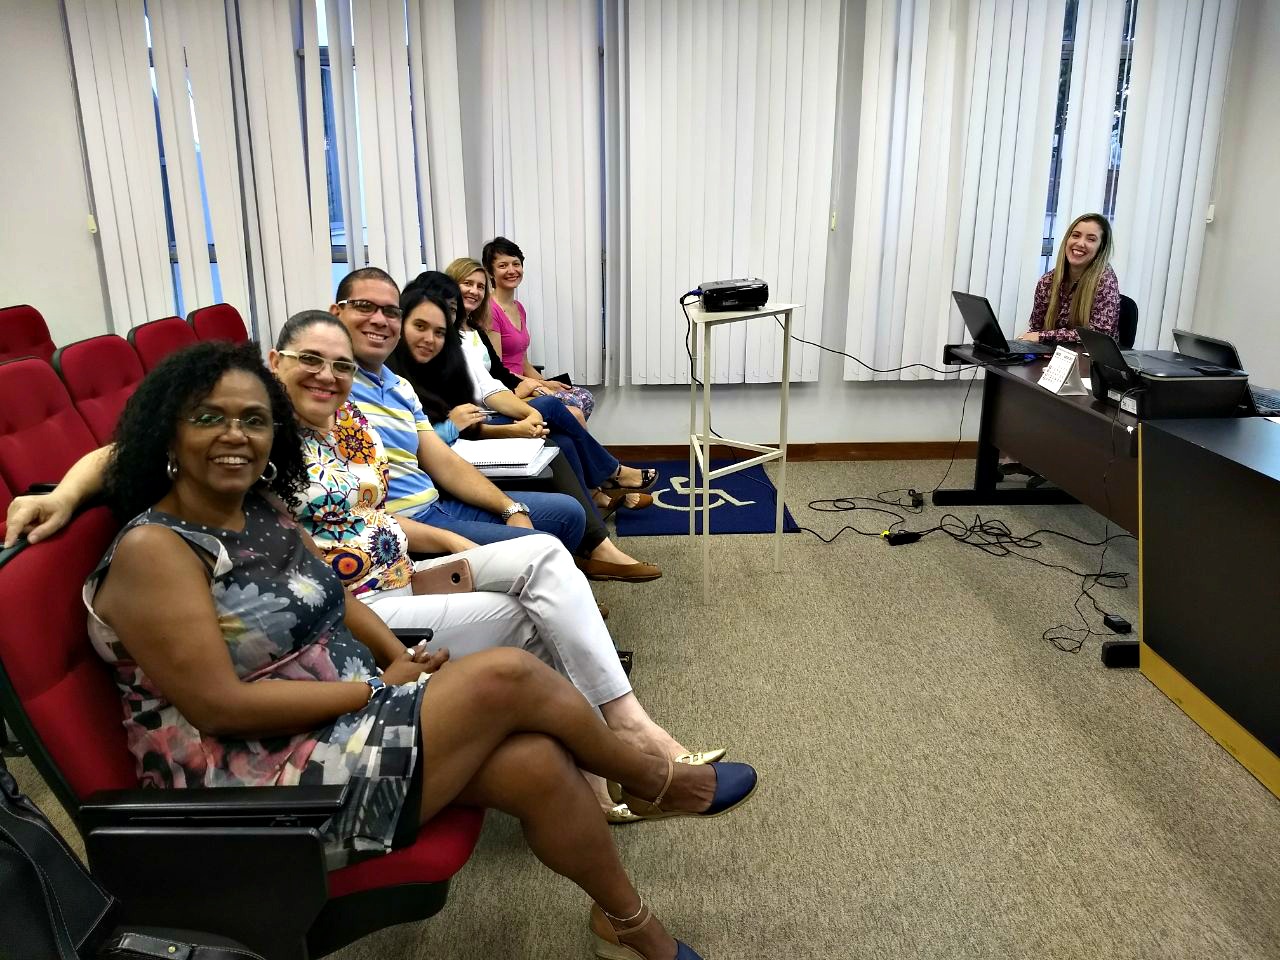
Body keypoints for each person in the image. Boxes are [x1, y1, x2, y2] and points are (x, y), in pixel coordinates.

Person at [72, 341, 755, 960]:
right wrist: (375, 687)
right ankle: (653, 780)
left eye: (254, 420)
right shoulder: (156, 550)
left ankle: (628, 925)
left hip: (332, 731)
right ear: (168, 431)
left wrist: (388, 660)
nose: (235, 436)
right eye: (208, 418)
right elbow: (219, 708)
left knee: (537, 765)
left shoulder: (260, 509)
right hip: (256, 793)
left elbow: (336, 597)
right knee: (508, 676)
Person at [269, 315, 716, 804]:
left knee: (543, 550)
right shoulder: (265, 445)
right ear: (275, 362)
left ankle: (625, 728)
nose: (328, 375)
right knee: (534, 616)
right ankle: (605, 761)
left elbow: (372, 518)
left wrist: (450, 541)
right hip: (365, 605)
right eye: (310, 360)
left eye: (341, 365)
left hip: (402, 569)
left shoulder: (349, 421)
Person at [389, 276, 663, 583]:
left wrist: (529, 399)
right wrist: (509, 422)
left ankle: (596, 509)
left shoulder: (436, 360)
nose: (432, 336)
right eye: (421, 325)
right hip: (442, 475)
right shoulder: (392, 378)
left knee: (560, 440)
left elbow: (493, 383)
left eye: (444, 321)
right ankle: (606, 492)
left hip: (464, 442)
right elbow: (448, 432)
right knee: (554, 416)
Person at [329, 268, 586, 551]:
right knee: (542, 547)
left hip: (436, 500)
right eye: (364, 306)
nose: (379, 320)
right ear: (336, 313)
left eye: (390, 312)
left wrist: (510, 508)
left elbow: (443, 458)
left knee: (568, 512)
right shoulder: (329, 384)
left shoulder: (400, 386)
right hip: (398, 527)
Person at [479, 238, 597, 426]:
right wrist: (543, 386)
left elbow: (523, 362)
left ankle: (563, 440)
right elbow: (498, 371)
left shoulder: (518, 307)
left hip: (527, 382)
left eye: (516, 264)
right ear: (490, 271)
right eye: (503, 265)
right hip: (510, 388)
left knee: (585, 397)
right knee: (574, 407)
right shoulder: (490, 311)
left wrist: (548, 382)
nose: (511, 270)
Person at [1020, 212, 1121, 346]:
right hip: (1051, 355)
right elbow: (1036, 329)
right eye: (1076, 235)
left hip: (1089, 356)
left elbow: (1097, 335)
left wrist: (1043, 336)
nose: (1080, 243)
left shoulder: (1105, 281)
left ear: (1100, 248)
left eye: (1091, 239)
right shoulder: (1047, 281)